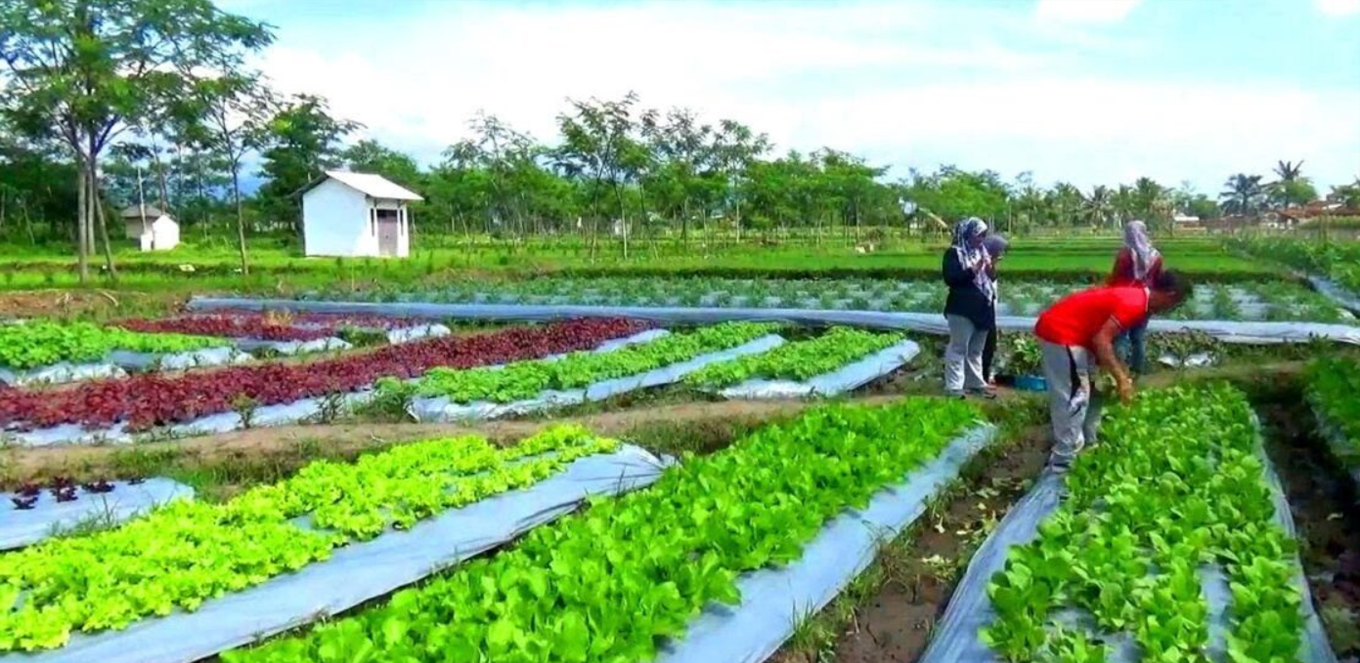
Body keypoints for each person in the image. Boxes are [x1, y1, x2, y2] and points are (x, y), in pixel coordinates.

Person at [1034, 270, 1192, 470]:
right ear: (1170, 295)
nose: (1172, 308)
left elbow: (1103, 336)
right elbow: (1102, 340)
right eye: (1176, 304)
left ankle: (1086, 445)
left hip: (1075, 334)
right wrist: (1121, 379)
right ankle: (1063, 461)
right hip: (1062, 333)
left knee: (1089, 392)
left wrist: (1113, 369)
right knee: (1073, 397)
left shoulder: (1137, 299)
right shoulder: (1134, 304)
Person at [942, 217, 997, 399]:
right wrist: (974, 269)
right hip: (962, 307)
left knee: (976, 350)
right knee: (959, 347)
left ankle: (975, 383)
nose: (981, 239)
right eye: (978, 235)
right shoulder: (954, 253)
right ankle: (954, 387)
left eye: (983, 235)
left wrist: (990, 268)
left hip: (983, 307)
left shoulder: (982, 252)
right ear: (967, 234)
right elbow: (952, 278)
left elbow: (991, 279)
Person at [1106, 220, 1164, 375]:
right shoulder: (1156, 256)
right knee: (1138, 337)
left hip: (1124, 300)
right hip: (1145, 300)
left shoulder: (1125, 254)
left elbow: (1115, 277)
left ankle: (1120, 369)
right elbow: (1157, 280)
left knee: (1120, 336)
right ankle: (1138, 370)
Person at [980, 234, 1010, 383]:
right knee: (984, 347)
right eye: (999, 251)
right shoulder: (981, 265)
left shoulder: (989, 265)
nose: (1001, 255)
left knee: (989, 346)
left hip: (989, 312)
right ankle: (980, 379)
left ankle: (983, 378)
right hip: (982, 312)